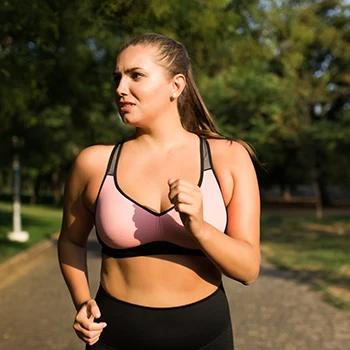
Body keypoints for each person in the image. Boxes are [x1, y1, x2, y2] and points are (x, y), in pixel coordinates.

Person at [58, 33, 260, 350]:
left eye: (135, 75)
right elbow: (70, 240)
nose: (120, 89)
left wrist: (200, 228)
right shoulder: (94, 163)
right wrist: (82, 301)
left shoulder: (228, 158)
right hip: (114, 336)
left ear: (175, 86)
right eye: (117, 78)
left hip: (205, 336)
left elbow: (248, 270)